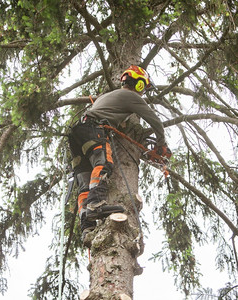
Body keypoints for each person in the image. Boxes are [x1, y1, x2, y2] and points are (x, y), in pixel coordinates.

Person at [68, 65, 171, 242]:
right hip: (94, 128)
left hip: (78, 133)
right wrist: (161, 143)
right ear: (137, 84)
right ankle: (95, 205)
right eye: (142, 87)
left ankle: (87, 226)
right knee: (104, 163)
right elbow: (155, 121)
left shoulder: (109, 97)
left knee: (85, 182)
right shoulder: (130, 96)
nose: (143, 92)